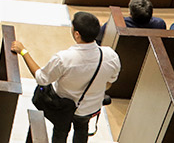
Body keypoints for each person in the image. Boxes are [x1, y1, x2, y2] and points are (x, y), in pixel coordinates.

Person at [12, 12, 121, 143]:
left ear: (77, 34)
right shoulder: (111, 56)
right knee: (82, 128)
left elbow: (41, 78)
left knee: (60, 131)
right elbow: (110, 82)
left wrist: (24, 52)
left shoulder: (64, 59)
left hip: (63, 107)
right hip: (91, 107)